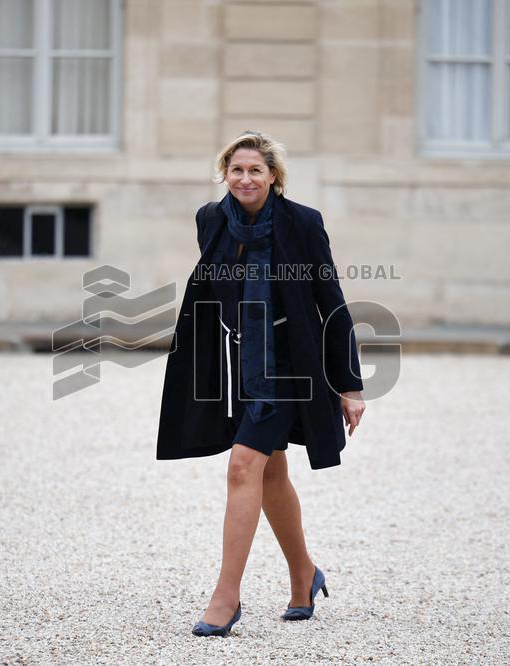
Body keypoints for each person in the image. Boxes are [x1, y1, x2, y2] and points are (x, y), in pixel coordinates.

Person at [155, 130, 366, 637]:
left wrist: (350, 384)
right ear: (224, 175)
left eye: (255, 170)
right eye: (236, 170)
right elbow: (209, 290)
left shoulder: (302, 223)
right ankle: (304, 574)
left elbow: (330, 300)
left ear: (273, 176)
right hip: (234, 367)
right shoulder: (210, 220)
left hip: (288, 370)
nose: (245, 178)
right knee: (269, 472)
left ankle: (226, 598)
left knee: (243, 464)